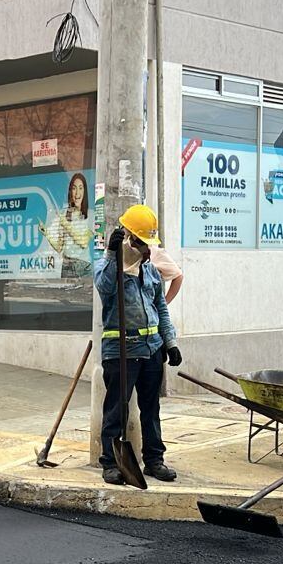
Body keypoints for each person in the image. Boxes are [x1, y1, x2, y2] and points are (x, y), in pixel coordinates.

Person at [97, 204, 180, 485]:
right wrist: (112, 255)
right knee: (116, 408)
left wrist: (170, 342)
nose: (147, 250)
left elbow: (161, 308)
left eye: (149, 245)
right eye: (142, 244)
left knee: (151, 408)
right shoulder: (109, 267)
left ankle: (154, 460)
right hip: (120, 351)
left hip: (151, 349)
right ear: (129, 238)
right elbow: (105, 288)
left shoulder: (151, 271)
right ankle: (110, 461)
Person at [39, 172, 93, 275]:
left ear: (85, 191)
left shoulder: (90, 215)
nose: (77, 193)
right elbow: (59, 247)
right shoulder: (65, 214)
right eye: (74, 188)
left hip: (84, 266)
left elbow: (83, 242)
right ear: (70, 192)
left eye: (81, 188)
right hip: (67, 266)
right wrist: (46, 233)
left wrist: (66, 224)